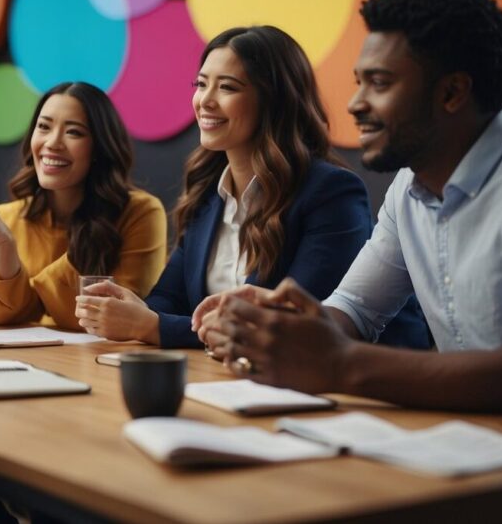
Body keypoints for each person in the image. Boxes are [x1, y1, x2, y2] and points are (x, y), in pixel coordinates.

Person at [207, 0, 502, 412]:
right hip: (472, 443)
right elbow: (354, 310)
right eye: (358, 82)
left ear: (452, 93)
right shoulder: (409, 188)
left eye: (379, 83)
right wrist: (283, 324)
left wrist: (342, 365)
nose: (354, 103)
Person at [75, 26, 429, 349]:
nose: (205, 100)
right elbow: (169, 298)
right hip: (239, 378)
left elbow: (294, 326)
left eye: (227, 87)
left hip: (366, 393)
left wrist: (154, 327)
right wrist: (137, 311)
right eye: (200, 84)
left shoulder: (331, 193)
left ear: (273, 101)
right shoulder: (205, 194)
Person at [0, 81, 167, 329]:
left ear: (99, 146)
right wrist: (4, 245)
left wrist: (38, 294)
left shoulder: (141, 213)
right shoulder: (3, 220)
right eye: (43, 127)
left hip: (99, 362)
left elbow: (119, 316)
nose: (53, 142)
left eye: (73, 132)